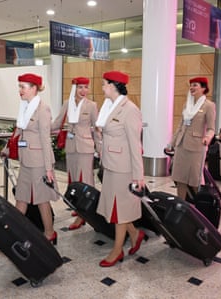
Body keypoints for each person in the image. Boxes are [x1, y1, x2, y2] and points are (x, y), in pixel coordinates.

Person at [95, 71, 146, 267]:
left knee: (119, 210)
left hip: (124, 168)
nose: (102, 87)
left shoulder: (130, 109)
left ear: (113, 86)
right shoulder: (109, 107)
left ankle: (117, 250)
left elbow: (135, 145)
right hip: (110, 165)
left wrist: (138, 176)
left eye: (104, 84)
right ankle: (134, 233)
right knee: (116, 207)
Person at [2, 73, 59, 244]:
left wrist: (49, 169)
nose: (20, 90)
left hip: (40, 162)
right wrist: (7, 147)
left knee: (42, 199)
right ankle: (14, 234)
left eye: (23, 87)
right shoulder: (25, 106)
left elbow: (45, 139)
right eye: (19, 86)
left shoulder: (43, 109)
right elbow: (20, 129)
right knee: (21, 196)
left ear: (34, 88)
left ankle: (50, 233)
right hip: (26, 159)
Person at [51, 77, 101, 230]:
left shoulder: (92, 105)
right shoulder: (68, 104)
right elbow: (57, 122)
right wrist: (40, 129)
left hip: (85, 147)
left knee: (85, 180)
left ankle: (83, 215)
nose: (84, 90)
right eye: (80, 87)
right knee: (73, 179)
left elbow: (97, 129)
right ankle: (78, 206)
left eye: (86, 87)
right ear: (74, 88)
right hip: (71, 146)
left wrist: (100, 149)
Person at [166, 77, 215, 201]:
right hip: (181, 145)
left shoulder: (209, 106)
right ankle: (181, 204)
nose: (192, 88)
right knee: (180, 177)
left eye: (195, 85)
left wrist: (207, 138)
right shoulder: (186, 104)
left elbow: (211, 128)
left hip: (196, 147)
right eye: (191, 85)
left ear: (203, 88)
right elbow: (180, 126)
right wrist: (171, 143)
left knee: (194, 180)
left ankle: (199, 205)